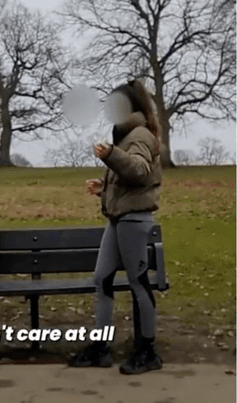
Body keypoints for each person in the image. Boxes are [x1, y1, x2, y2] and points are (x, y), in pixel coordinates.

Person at [69, 79, 163, 375]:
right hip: (118, 219)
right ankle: (101, 347)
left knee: (138, 282)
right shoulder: (126, 135)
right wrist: (104, 188)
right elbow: (129, 181)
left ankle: (148, 351)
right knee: (102, 279)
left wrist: (111, 155)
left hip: (134, 221)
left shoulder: (140, 135)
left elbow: (139, 171)